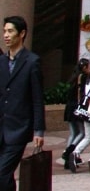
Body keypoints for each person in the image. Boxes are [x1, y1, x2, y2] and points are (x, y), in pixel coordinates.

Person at [0, 16, 45, 191]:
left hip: (19, 129)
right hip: (1, 127)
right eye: (4, 31)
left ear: (22, 34)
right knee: (6, 176)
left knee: (2, 174)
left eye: (10, 31)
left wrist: (39, 130)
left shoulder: (32, 62)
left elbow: (37, 98)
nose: (6, 35)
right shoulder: (1, 61)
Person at [62, 58, 90, 169]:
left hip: (69, 107)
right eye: (89, 66)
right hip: (76, 107)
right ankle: (68, 153)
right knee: (82, 133)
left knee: (73, 133)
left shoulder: (74, 77)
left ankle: (68, 157)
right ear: (84, 68)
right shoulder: (82, 77)